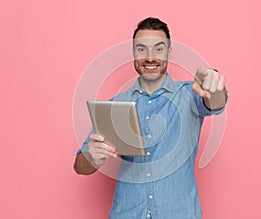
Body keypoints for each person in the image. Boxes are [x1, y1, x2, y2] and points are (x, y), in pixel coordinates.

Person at [74, 17, 228, 219]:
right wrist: (91, 158)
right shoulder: (114, 106)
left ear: (169, 52)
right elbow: (80, 165)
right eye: (141, 49)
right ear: (133, 52)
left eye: (158, 49)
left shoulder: (189, 95)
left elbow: (216, 103)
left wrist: (213, 84)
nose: (150, 57)